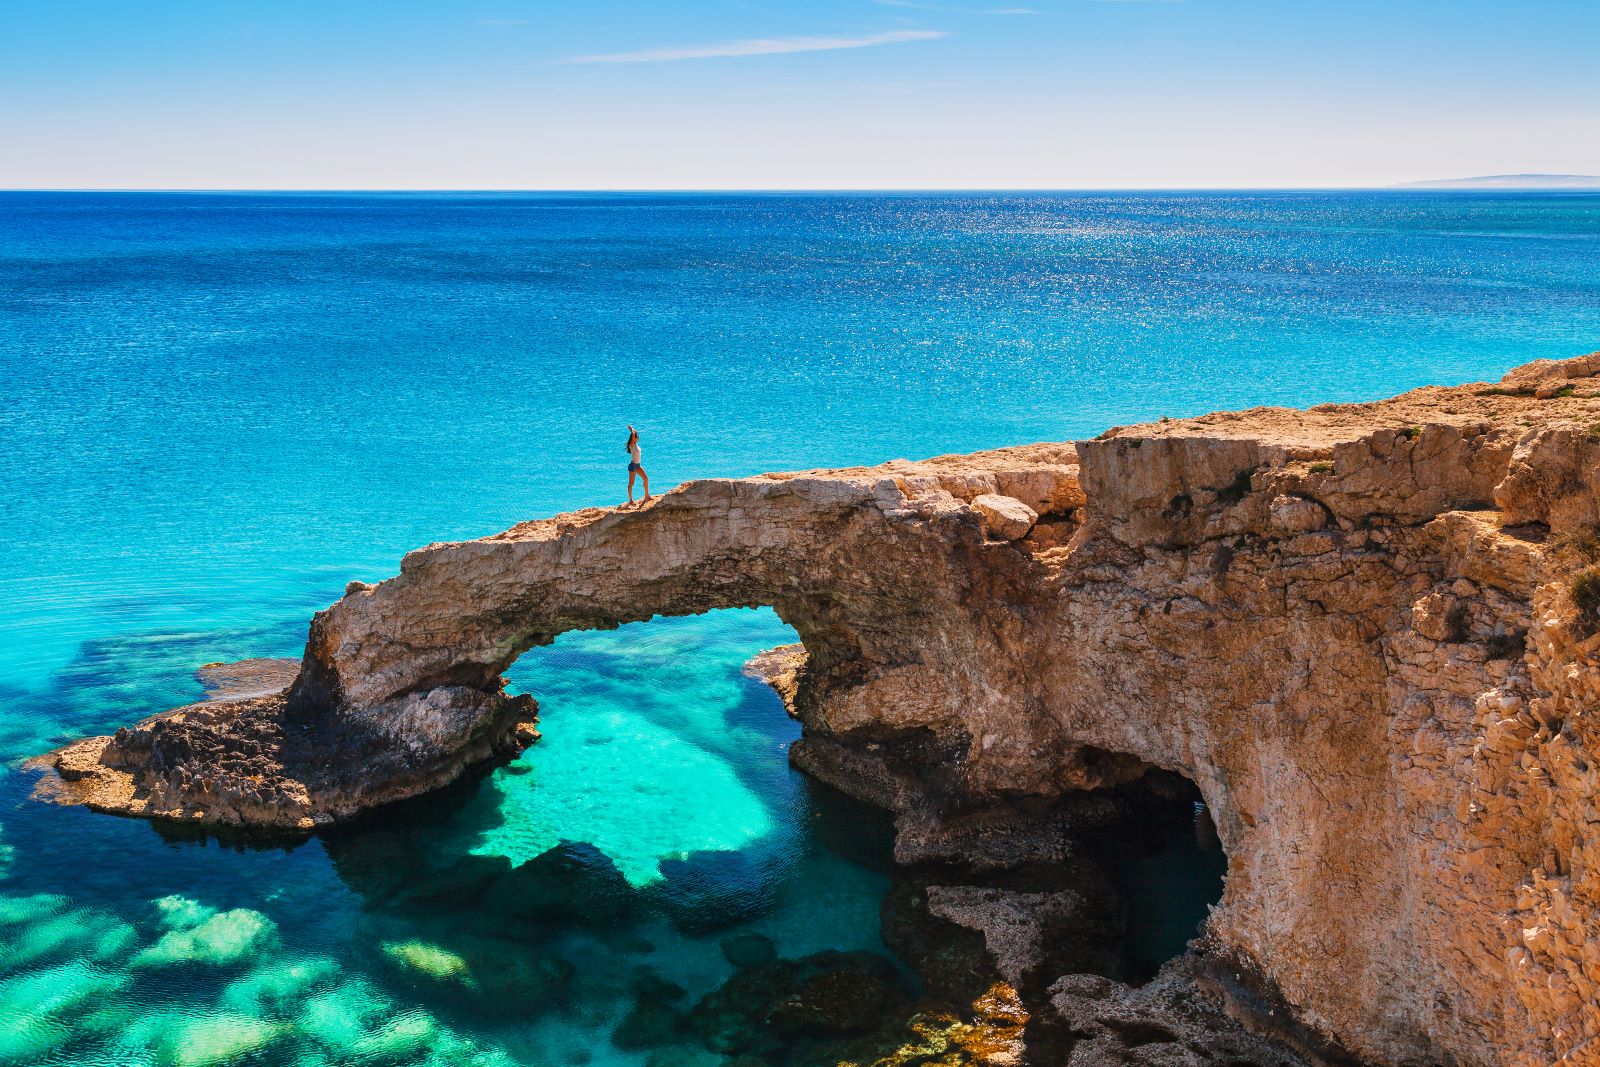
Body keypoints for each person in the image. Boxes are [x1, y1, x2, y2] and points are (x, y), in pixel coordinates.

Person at [625, 424, 651, 506]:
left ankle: (647, 495)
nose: (638, 437)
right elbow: (633, 434)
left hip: (638, 466)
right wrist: (631, 429)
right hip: (633, 466)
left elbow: (634, 434)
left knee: (646, 478)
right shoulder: (632, 445)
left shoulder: (636, 445)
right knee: (631, 484)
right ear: (634, 438)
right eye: (637, 436)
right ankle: (630, 500)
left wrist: (634, 431)